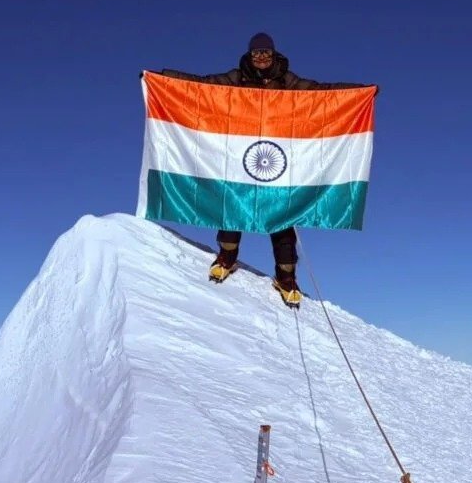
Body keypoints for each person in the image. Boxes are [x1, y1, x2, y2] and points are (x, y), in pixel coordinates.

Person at [159, 32, 373, 304]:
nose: (261, 57)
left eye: (266, 53)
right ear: (250, 55)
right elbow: (201, 86)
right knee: (232, 206)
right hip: (242, 154)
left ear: (273, 54)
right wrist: (164, 78)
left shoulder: (288, 81)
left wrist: (360, 92)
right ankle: (227, 257)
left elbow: (322, 92)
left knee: (282, 216)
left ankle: (286, 276)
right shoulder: (236, 79)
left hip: (278, 159)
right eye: (256, 53)